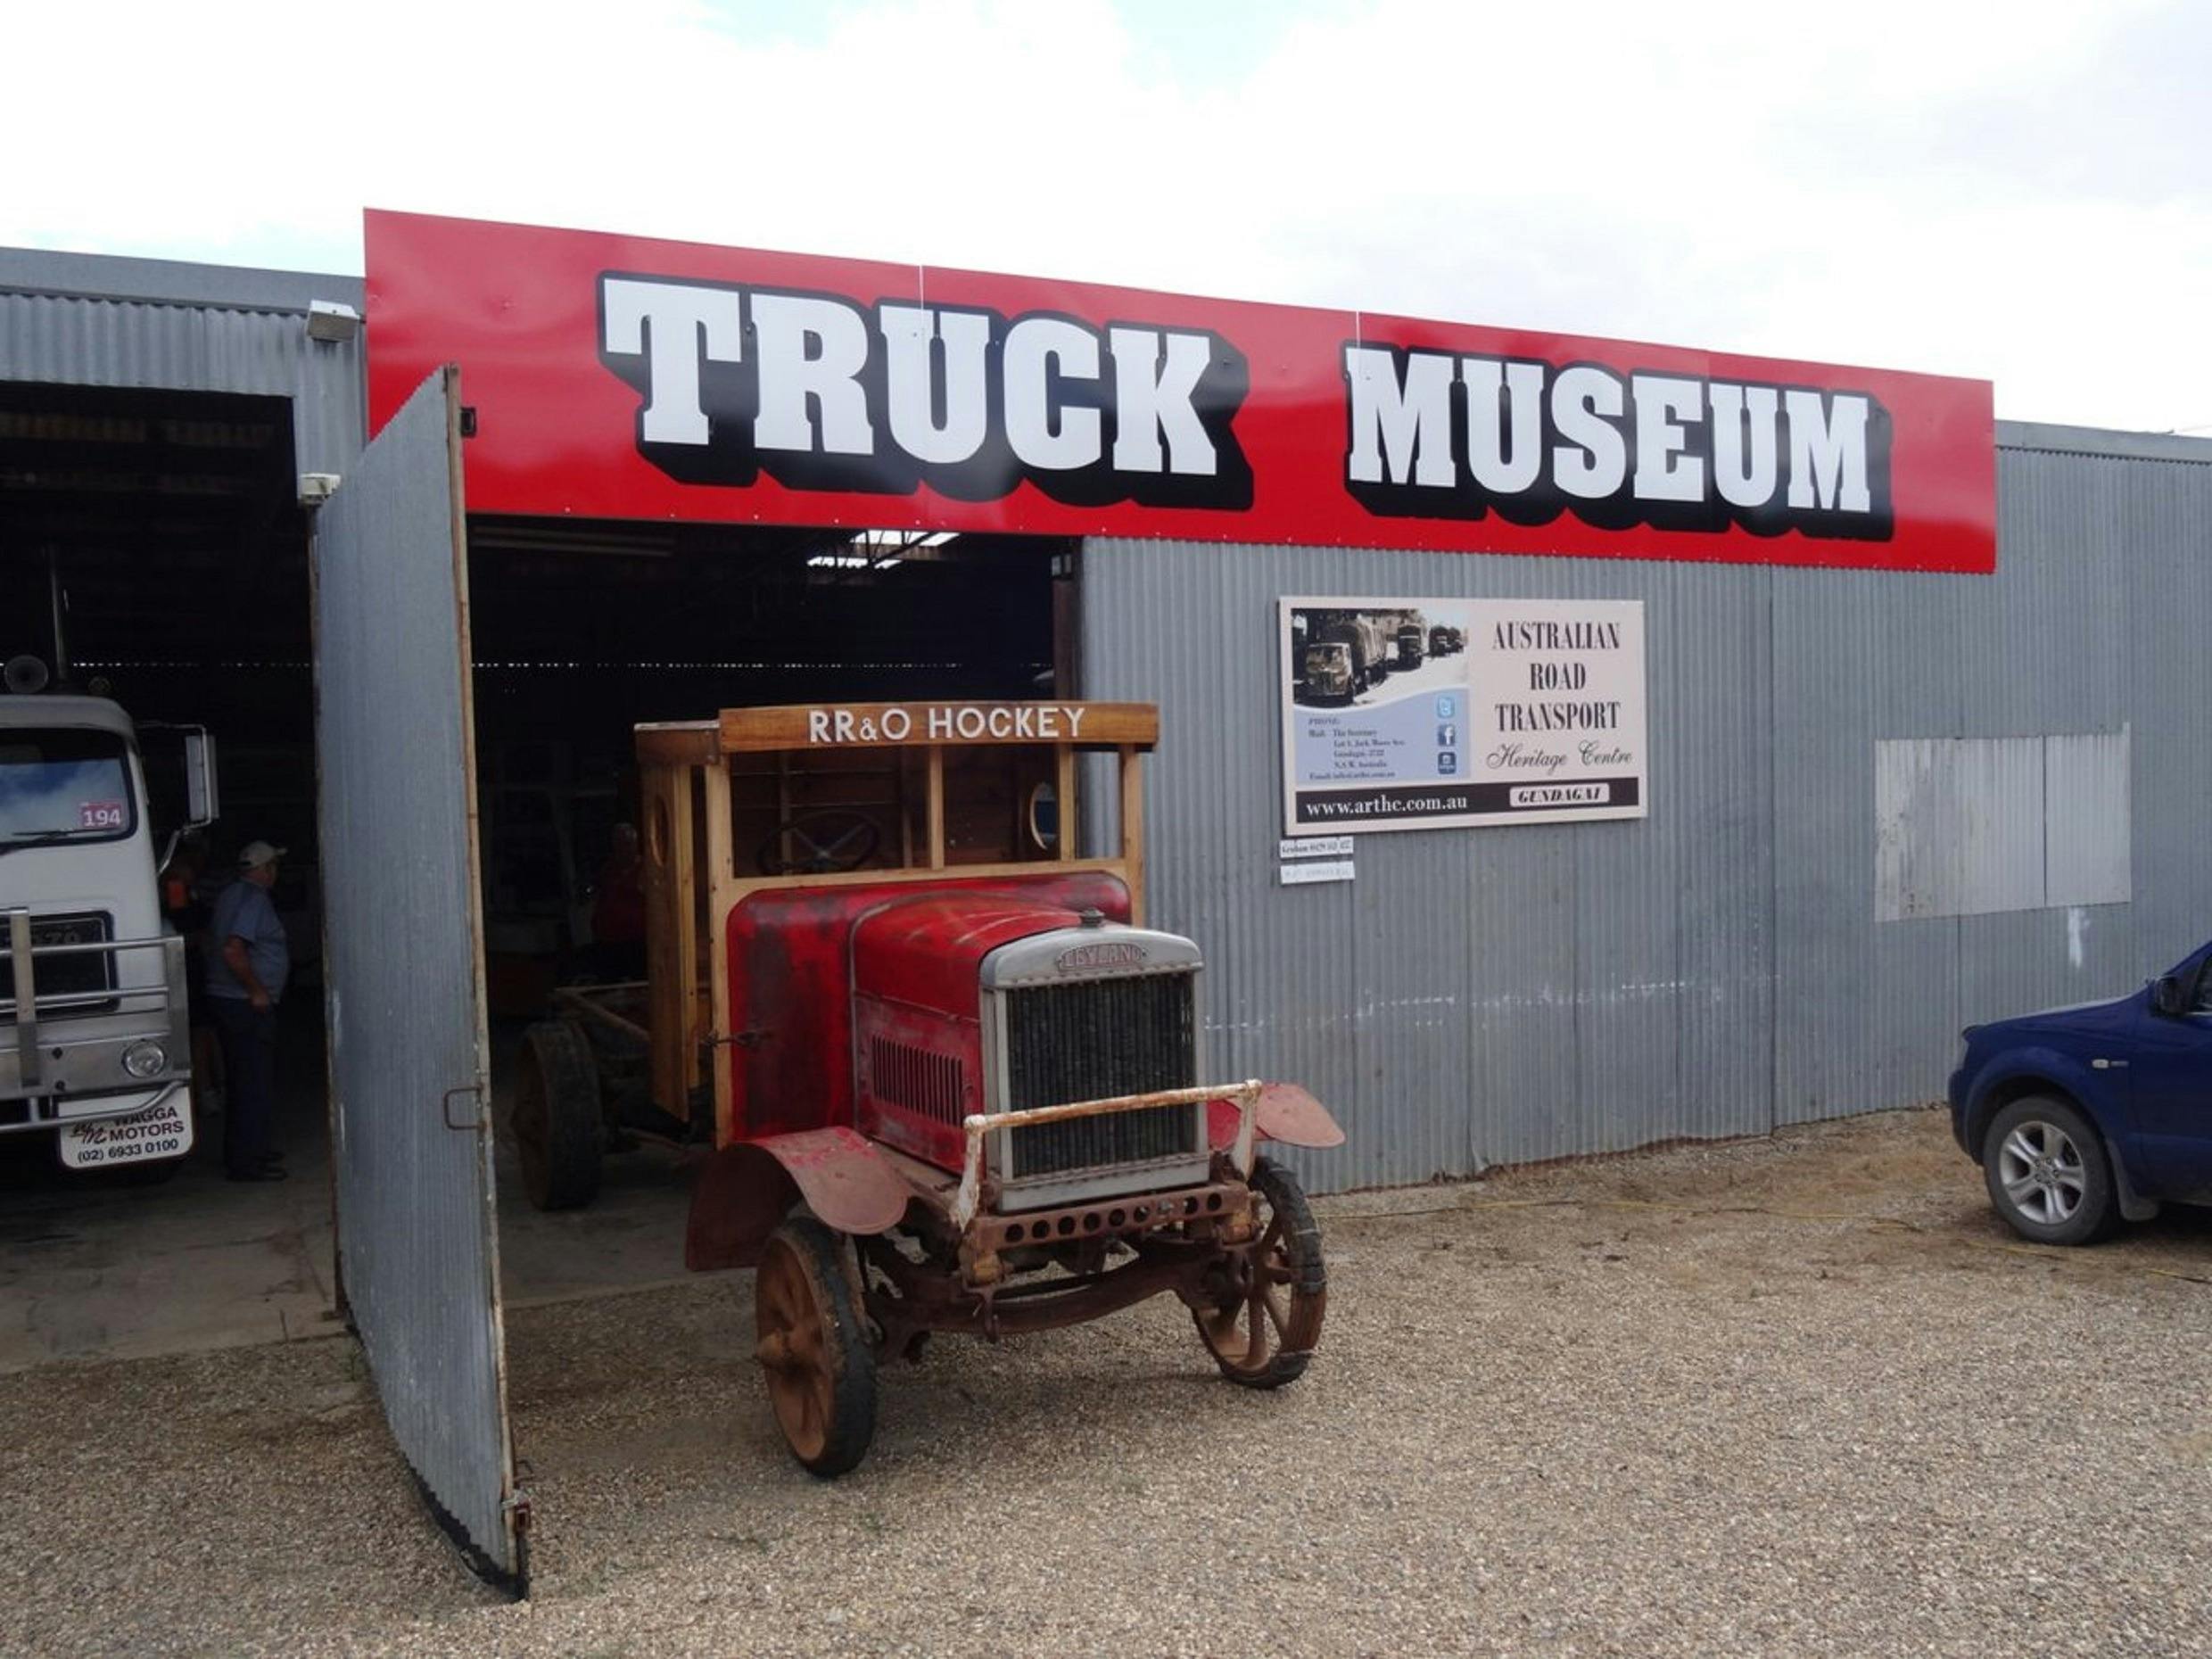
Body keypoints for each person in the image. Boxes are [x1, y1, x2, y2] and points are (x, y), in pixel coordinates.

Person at [203, 840, 291, 1182]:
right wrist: (256, 991)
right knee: (252, 1082)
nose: (275, 874)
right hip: (242, 1004)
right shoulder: (253, 900)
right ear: (265, 869)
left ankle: (251, 1149)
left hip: (226, 1000)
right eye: (274, 867)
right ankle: (247, 1163)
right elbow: (233, 949)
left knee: (245, 1080)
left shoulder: (229, 895)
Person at [587, 821, 647, 981]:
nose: (622, 849)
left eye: (626, 843)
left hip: (636, 942)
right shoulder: (608, 869)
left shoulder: (646, 870)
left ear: (635, 844)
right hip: (608, 942)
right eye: (618, 843)